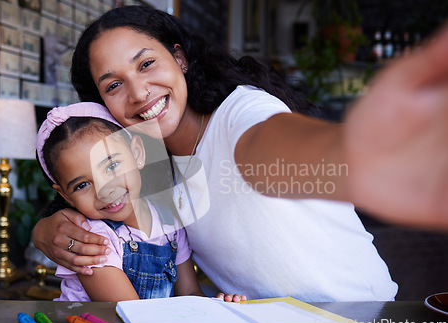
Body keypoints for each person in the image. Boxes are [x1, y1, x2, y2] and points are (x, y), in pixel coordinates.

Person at [33, 6, 448, 301]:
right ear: (104, 108)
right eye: (113, 85)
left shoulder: (241, 111)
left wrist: (358, 150)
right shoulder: (150, 169)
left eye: (146, 64)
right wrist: (46, 230)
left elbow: (270, 146)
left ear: (179, 58)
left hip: (360, 317)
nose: (139, 93)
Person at [36, 102, 245, 302]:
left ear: (137, 153)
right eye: (82, 185)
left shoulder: (169, 220)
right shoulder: (93, 240)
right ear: (65, 196)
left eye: (111, 166)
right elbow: (132, 315)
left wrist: (218, 310)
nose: (105, 190)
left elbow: (189, 292)